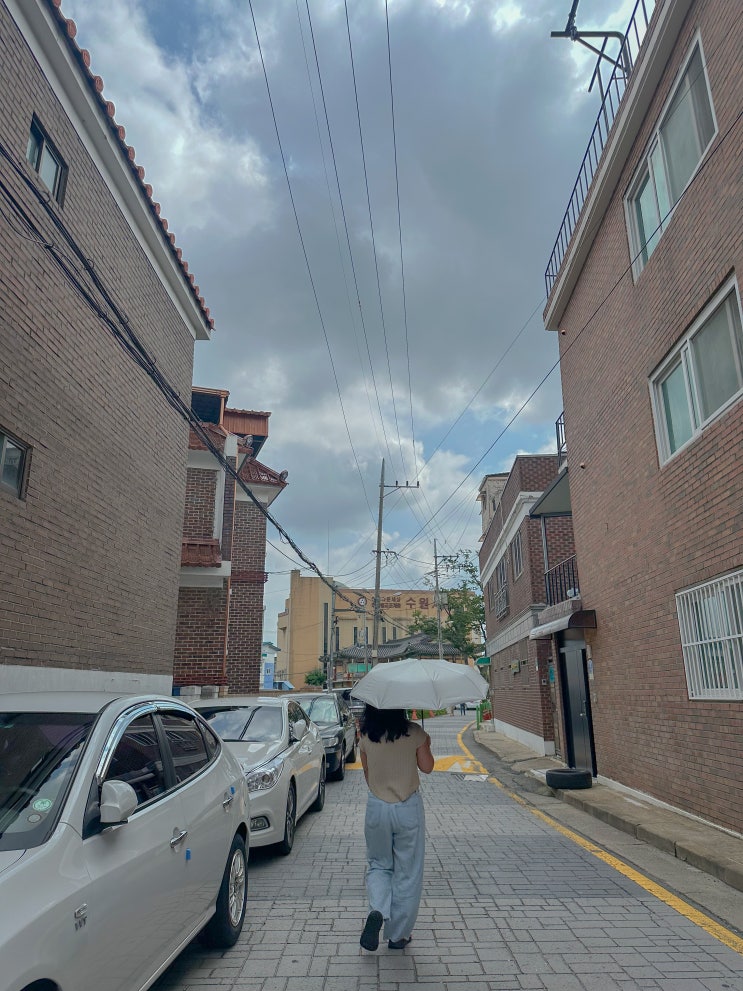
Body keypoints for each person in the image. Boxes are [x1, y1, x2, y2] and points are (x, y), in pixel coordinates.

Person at [358, 706, 434, 952]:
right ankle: (398, 935)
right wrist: (425, 743)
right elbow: (427, 767)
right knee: (407, 871)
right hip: (407, 807)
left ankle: (378, 909)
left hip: (377, 808)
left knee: (379, 865)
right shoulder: (414, 732)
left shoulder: (366, 735)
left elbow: (367, 773)